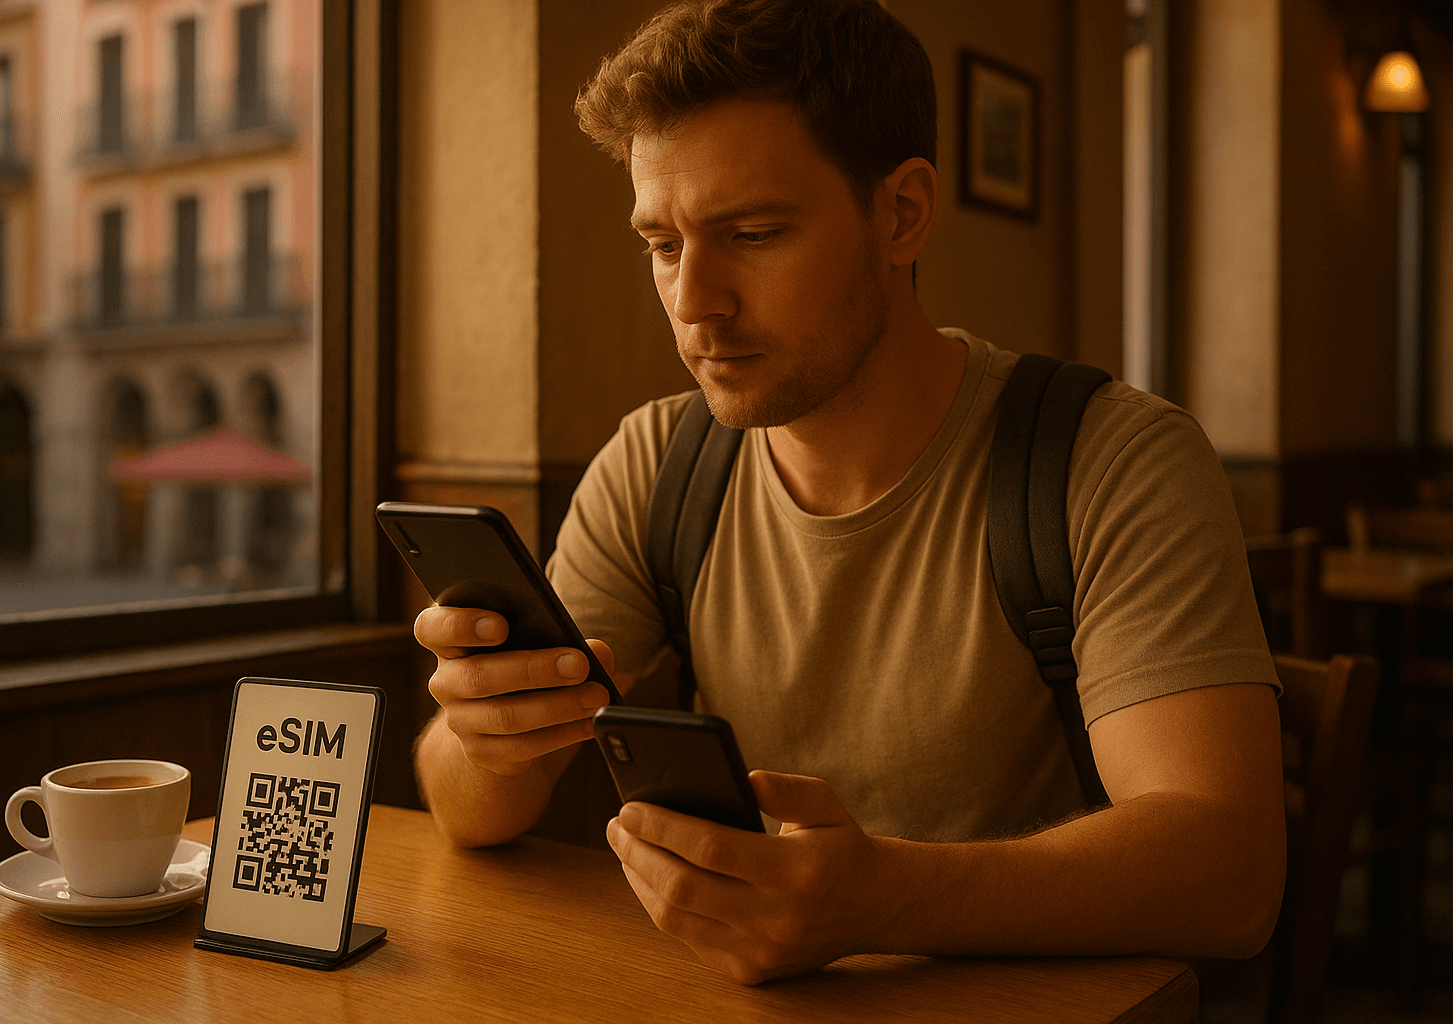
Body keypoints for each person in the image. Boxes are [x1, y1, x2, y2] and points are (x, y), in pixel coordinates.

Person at [414, 0, 1285, 985]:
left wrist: (881, 897)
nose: (694, 301)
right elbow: (468, 806)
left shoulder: (1109, 457)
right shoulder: (659, 461)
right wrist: (486, 739)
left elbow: (1233, 874)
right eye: (663, 245)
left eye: (751, 232)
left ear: (902, 213)